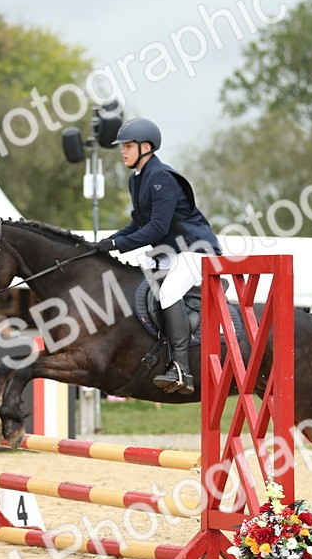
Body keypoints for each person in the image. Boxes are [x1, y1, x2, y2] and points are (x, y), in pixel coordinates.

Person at [95, 118, 221, 394]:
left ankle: (181, 369)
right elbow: (138, 224)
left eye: (128, 146)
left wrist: (119, 242)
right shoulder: (136, 180)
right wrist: (108, 241)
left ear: (146, 147)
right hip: (170, 251)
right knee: (136, 282)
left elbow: (156, 228)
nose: (122, 151)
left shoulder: (162, 177)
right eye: (122, 147)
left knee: (169, 292)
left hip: (195, 249)